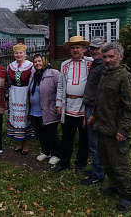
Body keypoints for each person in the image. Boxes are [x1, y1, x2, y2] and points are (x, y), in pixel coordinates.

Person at [93, 42, 131, 212]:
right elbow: (101, 100)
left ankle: (127, 196)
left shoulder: (125, 78)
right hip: (102, 127)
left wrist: (124, 130)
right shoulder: (106, 74)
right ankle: (114, 187)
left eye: (111, 56)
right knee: (106, 163)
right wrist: (93, 115)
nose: (108, 60)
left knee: (120, 166)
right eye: (105, 57)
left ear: (120, 57)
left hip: (116, 132)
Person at [52, 36, 93, 173]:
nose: (75, 50)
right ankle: (64, 162)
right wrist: (59, 103)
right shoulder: (65, 65)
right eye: (73, 47)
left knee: (84, 137)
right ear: (70, 50)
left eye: (78, 47)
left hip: (84, 107)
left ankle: (81, 162)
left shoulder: (90, 63)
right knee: (66, 137)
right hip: (68, 106)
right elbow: (61, 85)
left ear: (83, 49)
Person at [80, 38, 105, 185]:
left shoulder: (103, 67)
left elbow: (102, 93)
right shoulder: (95, 64)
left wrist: (95, 113)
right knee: (92, 141)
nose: (94, 51)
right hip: (89, 106)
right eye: (92, 49)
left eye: (98, 49)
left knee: (95, 143)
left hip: (96, 108)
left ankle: (98, 175)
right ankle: (96, 168)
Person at [28, 54, 60, 165]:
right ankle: (45, 151)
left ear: (44, 62)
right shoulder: (34, 75)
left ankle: (56, 154)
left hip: (48, 109)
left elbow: (60, 89)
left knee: (51, 132)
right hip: (35, 110)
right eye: (35, 62)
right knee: (41, 133)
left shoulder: (53, 73)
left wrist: (58, 104)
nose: (37, 63)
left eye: (39, 61)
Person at [7, 43, 34, 155]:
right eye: (16, 53)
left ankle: (26, 145)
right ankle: (20, 143)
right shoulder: (10, 66)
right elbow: (8, 81)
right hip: (14, 93)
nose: (18, 55)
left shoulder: (30, 66)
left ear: (25, 54)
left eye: (21, 53)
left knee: (24, 118)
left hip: (25, 94)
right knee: (16, 118)